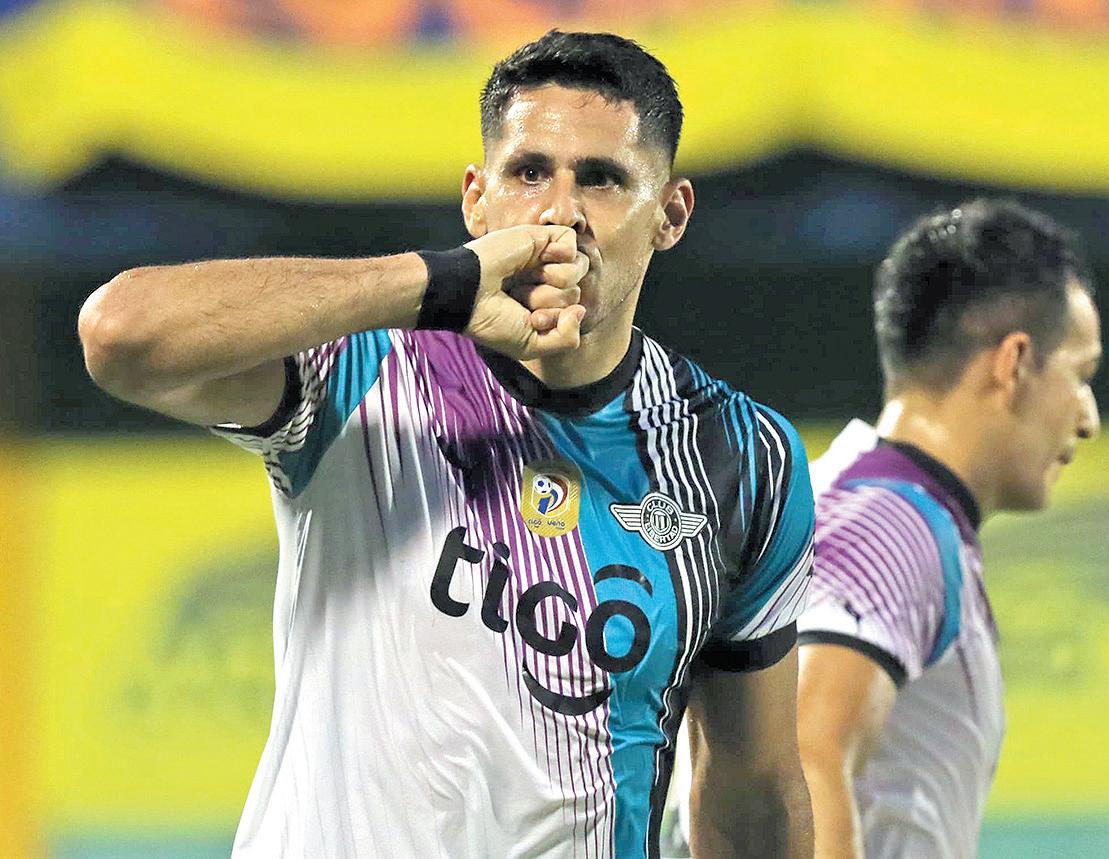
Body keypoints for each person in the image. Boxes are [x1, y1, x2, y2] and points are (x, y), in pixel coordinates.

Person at [79, 31, 816, 859]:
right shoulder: (364, 367)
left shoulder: (742, 457)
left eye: (601, 179)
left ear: (670, 215)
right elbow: (120, 335)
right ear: (477, 199)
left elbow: (752, 791)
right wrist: (439, 284)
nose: (559, 213)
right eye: (528, 172)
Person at [795, 199, 1102, 859]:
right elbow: (805, 753)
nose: (1088, 419)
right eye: (1079, 376)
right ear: (1013, 363)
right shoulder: (888, 522)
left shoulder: (870, 502)